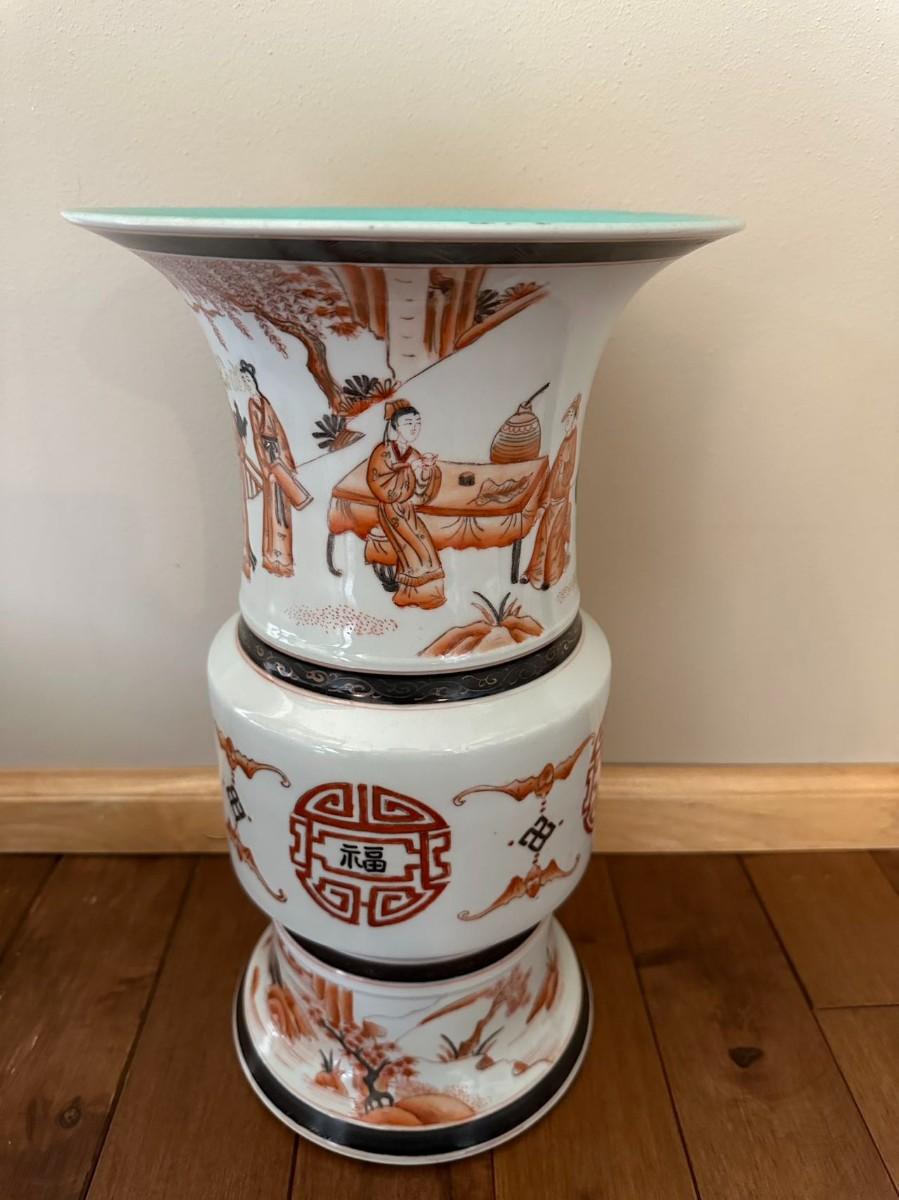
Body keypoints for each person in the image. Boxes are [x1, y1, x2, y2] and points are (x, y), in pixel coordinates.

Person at [365, 399, 445, 609]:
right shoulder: (383, 451)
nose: (414, 428)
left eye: (418, 423)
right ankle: (411, 595)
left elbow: (420, 490)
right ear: (396, 427)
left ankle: (427, 595)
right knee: (413, 548)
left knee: (425, 544)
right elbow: (378, 480)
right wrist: (408, 468)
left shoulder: (413, 453)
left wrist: (425, 470)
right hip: (390, 508)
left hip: (407, 509)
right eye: (409, 423)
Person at [242, 361, 311, 577]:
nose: (247, 383)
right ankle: (273, 556)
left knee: (285, 507)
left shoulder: (265, 401)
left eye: (248, 379)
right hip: (269, 463)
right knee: (273, 510)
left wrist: (287, 462)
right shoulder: (252, 405)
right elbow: (257, 439)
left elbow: (280, 433)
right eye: (243, 380)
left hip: (279, 459)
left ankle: (286, 557)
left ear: (254, 379)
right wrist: (267, 470)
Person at [521, 394, 580, 590]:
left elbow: (565, 473)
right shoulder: (565, 441)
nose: (567, 421)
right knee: (543, 536)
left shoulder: (571, 441)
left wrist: (555, 495)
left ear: (575, 418)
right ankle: (535, 573)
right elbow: (556, 471)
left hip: (560, 499)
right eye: (567, 416)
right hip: (553, 497)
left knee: (554, 537)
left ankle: (550, 576)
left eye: (570, 416)